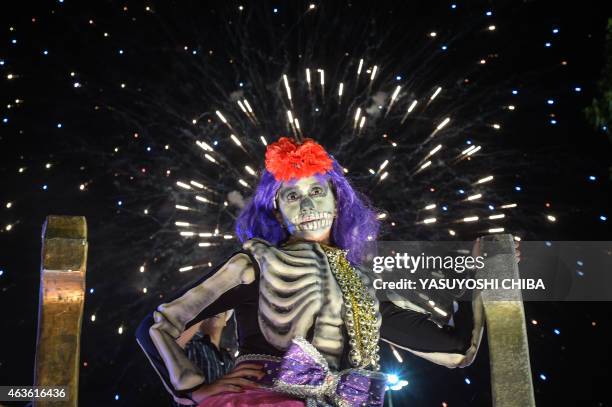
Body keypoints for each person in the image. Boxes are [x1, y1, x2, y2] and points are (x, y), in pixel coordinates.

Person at [135, 136, 494, 407]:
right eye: (292, 196)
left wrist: (480, 269)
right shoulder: (254, 264)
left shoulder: (363, 288)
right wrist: (192, 388)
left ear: (337, 202)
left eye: (317, 191)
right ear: (276, 211)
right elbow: (158, 324)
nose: (307, 205)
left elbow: (458, 351)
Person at [171, 311, 235, 407]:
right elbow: (171, 347)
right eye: (211, 310)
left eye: (222, 310)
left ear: (226, 321)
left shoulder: (230, 360)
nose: (216, 310)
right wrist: (202, 312)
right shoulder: (190, 345)